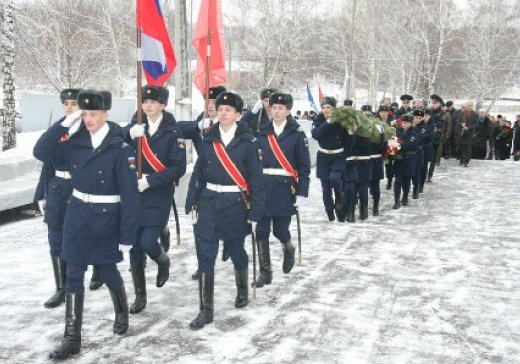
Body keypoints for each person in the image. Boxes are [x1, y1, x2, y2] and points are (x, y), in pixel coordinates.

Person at [34, 90, 139, 360]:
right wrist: (67, 122)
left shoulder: (120, 148)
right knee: (73, 274)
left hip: (106, 217)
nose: (89, 118)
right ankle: (72, 338)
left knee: (106, 269)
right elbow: (41, 151)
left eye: (94, 114)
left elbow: (129, 196)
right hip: (77, 214)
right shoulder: (74, 143)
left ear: (106, 114)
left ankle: (121, 310)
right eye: (85, 114)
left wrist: (127, 235)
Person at [185, 92, 265, 330]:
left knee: (236, 249)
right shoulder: (208, 139)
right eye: (220, 109)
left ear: (238, 114)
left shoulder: (249, 143)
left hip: (235, 204)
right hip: (209, 202)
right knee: (206, 254)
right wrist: (191, 202)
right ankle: (206, 310)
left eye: (228, 109)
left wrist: (255, 214)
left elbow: (256, 180)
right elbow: (198, 173)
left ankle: (242, 289)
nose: (222, 112)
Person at [125, 85, 187, 314]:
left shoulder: (172, 132)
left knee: (147, 242)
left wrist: (150, 181)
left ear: (162, 104)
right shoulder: (134, 127)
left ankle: (163, 261)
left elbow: (178, 167)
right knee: (134, 247)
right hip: (134, 193)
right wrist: (128, 135)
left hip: (158, 193)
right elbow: (114, 144)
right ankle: (140, 295)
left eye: (153, 101)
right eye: (144, 101)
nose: (147, 105)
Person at [33, 88, 96, 309]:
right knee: (56, 240)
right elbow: (43, 157)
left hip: (82, 189)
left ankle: (95, 269)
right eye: (66, 104)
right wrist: (41, 193)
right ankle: (62, 288)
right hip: (59, 190)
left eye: (74, 104)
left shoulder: (90, 128)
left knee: (84, 237)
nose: (70, 107)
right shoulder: (59, 130)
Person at [254, 92, 310, 287]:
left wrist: (302, 192)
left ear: (288, 111)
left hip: (285, 189)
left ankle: (288, 247)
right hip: (262, 187)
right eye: (273, 107)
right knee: (260, 231)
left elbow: (304, 166)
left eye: (280, 108)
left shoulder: (297, 135)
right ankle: (265, 273)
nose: (276, 111)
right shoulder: (261, 132)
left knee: (279, 230)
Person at [177, 85, 226, 280]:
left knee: (227, 222)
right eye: (208, 101)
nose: (211, 105)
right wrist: (196, 126)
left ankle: (229, 244)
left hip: (228, 179)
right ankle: (203, 265)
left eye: (215, 102)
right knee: (200, 225)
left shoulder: (231, 124)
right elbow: (175, 129)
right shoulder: (201, 121)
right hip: (202, 178)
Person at [311, 96, 346, 221]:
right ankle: (330, 213)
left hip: (338, 155)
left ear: (334, 108)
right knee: (326, 189)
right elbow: (316, 134)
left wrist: (352, 132)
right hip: (323, 156)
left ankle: (340, 201)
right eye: (324, 107)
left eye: (329, 107)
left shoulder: (342, 121)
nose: (326, 110)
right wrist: (328, 122)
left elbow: (348, 141)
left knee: (335, 178)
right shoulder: (319, 120)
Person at [392, 115, 418, 209]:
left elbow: (408, 145)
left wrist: (397, 144)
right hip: (399, 159)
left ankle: (405, 196)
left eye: (406, 123)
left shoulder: (414, 133)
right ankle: (396, 200)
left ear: (411, 123)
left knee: (407, 180)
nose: (404, 124)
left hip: (409, 158)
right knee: (398, 180)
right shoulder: (398, 132)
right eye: (403, 122)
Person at [428, 94, 451, 175]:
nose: (433, 104)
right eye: (432, 103)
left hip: (436, 137)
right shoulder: (428, 111)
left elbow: (439, 124)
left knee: (433, 157)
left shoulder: (442, 113)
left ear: (439, 104)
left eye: (435, 103)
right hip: (427, 137)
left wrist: (431, 124)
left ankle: (430, 174)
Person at [369, 122, 386, 216]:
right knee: (364, 186)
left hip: (375, 161)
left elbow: (383, 149)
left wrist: (382, 136)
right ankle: (365, 206)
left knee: (375, 185)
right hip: (366, 161)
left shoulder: (380, 133)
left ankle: (375, 206)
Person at [455, 101, 478, 167]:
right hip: (461, 133)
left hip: (469, 134)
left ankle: (466, 161)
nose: (469, 106)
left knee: (468, 149)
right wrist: (461, 124)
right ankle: (461, 159)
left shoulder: (475, 114)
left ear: (472, 106)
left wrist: (468, 127)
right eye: (468, 105)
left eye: (470, 105)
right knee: (459, 148)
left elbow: (476, 124)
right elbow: (457, 122)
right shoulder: (462, 113)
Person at [411, 109, 425, 200]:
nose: (417, 119)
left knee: (416, 173)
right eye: (416, 117)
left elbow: (419, 139)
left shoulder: (423, 128)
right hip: (409, 153)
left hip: (418, 153)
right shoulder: (408, 125)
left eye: (420, 118)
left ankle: (416, 189)